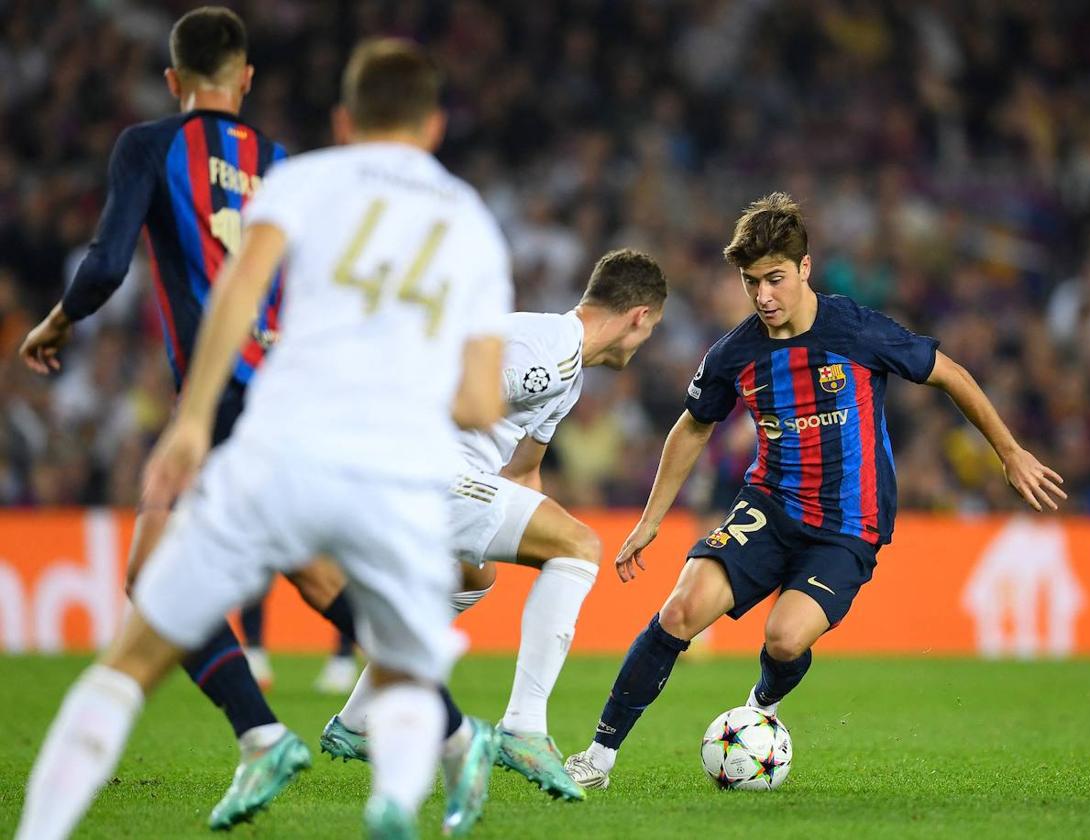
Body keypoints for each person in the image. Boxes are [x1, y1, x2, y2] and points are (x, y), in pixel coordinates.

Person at [15, 36, 511, 840]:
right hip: (383, 463)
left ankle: (264, 738)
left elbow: (221, 290)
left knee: (137, 638)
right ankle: (407, 765)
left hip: (270, 426)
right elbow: (480, 396)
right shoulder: (468, 220)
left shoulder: (299, 177)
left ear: (344, 120)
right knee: (374, 629)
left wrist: (189, 421)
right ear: (437, 126)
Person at [564, 192, 1066, 789]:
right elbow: (693, 425)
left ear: (805, 268)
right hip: (770, 507)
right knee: (679, 610)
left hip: (849, 526)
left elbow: (950, 373)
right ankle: (597, 758)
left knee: (783, 638)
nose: (764, 297)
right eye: (752, 283)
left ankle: (762, 706)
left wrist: (1009, 453)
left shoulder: (854, 328)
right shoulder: (736, 353)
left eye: (775, 279)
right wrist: (651, 519)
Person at [16, 8, 370, 828]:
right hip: (293, 393)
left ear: (174, 82)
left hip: (222, 396)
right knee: (313, 572)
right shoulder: (282, 164)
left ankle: (263, 732)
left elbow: (105, 266)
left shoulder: (151, 144)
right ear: (245, 80)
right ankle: (442, 720)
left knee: (150, 573)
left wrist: (59, 321)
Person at [319, 249, 668, 808]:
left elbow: (524, 471)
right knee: (582, 544)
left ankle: (358, 721)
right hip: (420, 467)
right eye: (649, 331)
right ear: (640, 317)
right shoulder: (549, 349)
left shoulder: (569, 376)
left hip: (446, 475)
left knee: (472, 574)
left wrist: (543, 550)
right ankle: (523, 728)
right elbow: (450, 393)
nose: (643, 343)